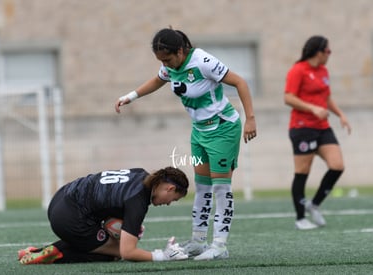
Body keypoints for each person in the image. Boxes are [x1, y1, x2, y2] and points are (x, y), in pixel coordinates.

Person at [115, 28, 257, 260]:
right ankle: (199, 241)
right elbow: (157, 80)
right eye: (161, 61)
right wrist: (131, 96)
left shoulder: (203, 61)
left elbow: (239, 82)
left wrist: (250, 118)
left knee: (221, 187)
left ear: (180, 51)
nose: (166, 65)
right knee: (202, 187)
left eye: (168, 59)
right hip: (199, 132)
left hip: (222, 129)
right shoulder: (170, 65)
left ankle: (220, 245)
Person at [18, 166, 189, 264]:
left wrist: (127, 225)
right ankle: (55, 255)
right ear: (170, 188)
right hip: (69, 217)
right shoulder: (138, 200)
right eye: (172, 199)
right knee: (115, 253)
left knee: (102, 240)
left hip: (61, 198)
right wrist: (162, 256)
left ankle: (35, 251)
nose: (168, 203)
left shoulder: (139, 173)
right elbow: (128, 252)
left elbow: (110, 198)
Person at [284, 35, 351, 230]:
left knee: (337, 165)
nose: (330, 55)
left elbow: (326, 97)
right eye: (328, 51)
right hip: (302, 128)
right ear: (319, 52)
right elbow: (288, 97)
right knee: (302, 172)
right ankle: (300, 218)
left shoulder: (323, 71)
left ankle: (315, 204)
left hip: (322, 127)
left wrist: (340, 114)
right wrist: (312, 108)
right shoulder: (298, 70)